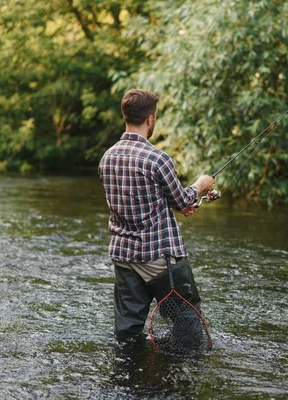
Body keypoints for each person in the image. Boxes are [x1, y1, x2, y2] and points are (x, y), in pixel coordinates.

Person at [98, 88, 215, 343]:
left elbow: (140, 199)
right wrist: (201, 184)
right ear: (151, 119)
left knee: (127, 332)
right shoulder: (157, 159)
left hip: (124, 256)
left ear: (125, 115)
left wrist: (178, 205)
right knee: (187, 321)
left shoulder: (107, 158)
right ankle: (179, 376)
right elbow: (182, 199)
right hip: (160, 259)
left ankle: (130, 377)